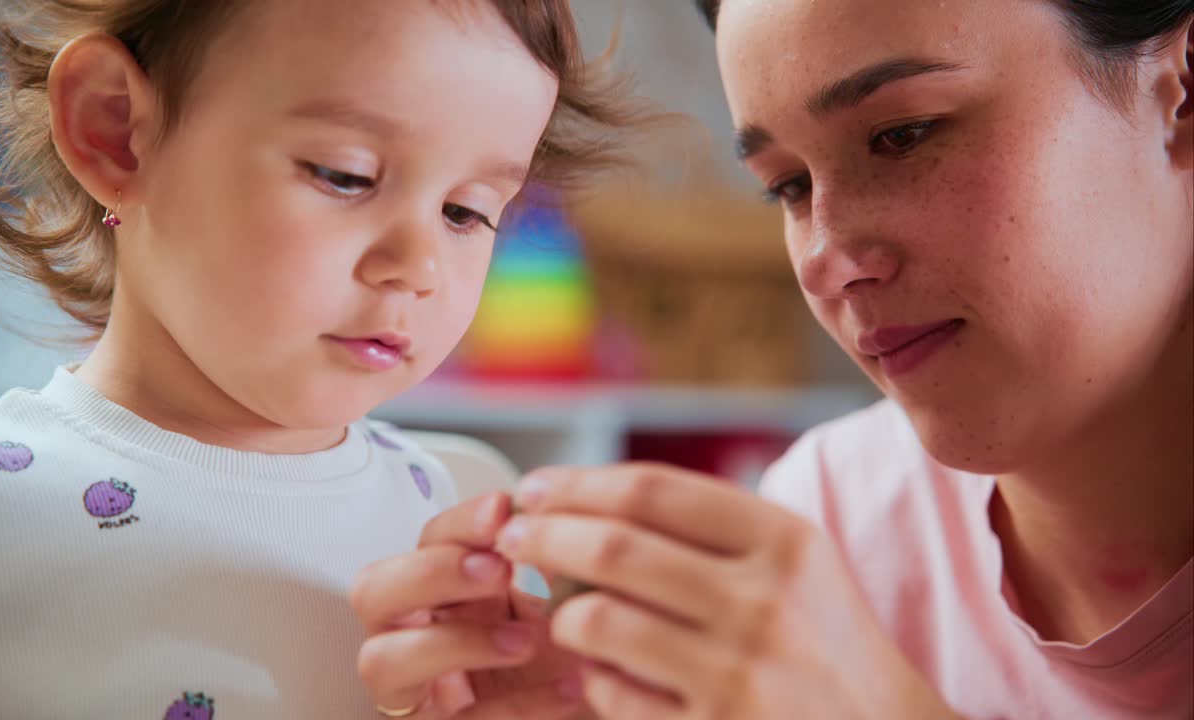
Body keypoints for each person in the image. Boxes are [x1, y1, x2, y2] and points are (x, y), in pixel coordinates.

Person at [352, 0, 1193, 717]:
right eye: (788, 186)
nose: (823, 261)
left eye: (904, 135)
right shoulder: (834, 516)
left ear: (1180, 92)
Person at [0, 1, 638, 717]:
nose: (419, 267)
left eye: (466, 212)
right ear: (116, 132)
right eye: (345, 175)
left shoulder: (456, 519)